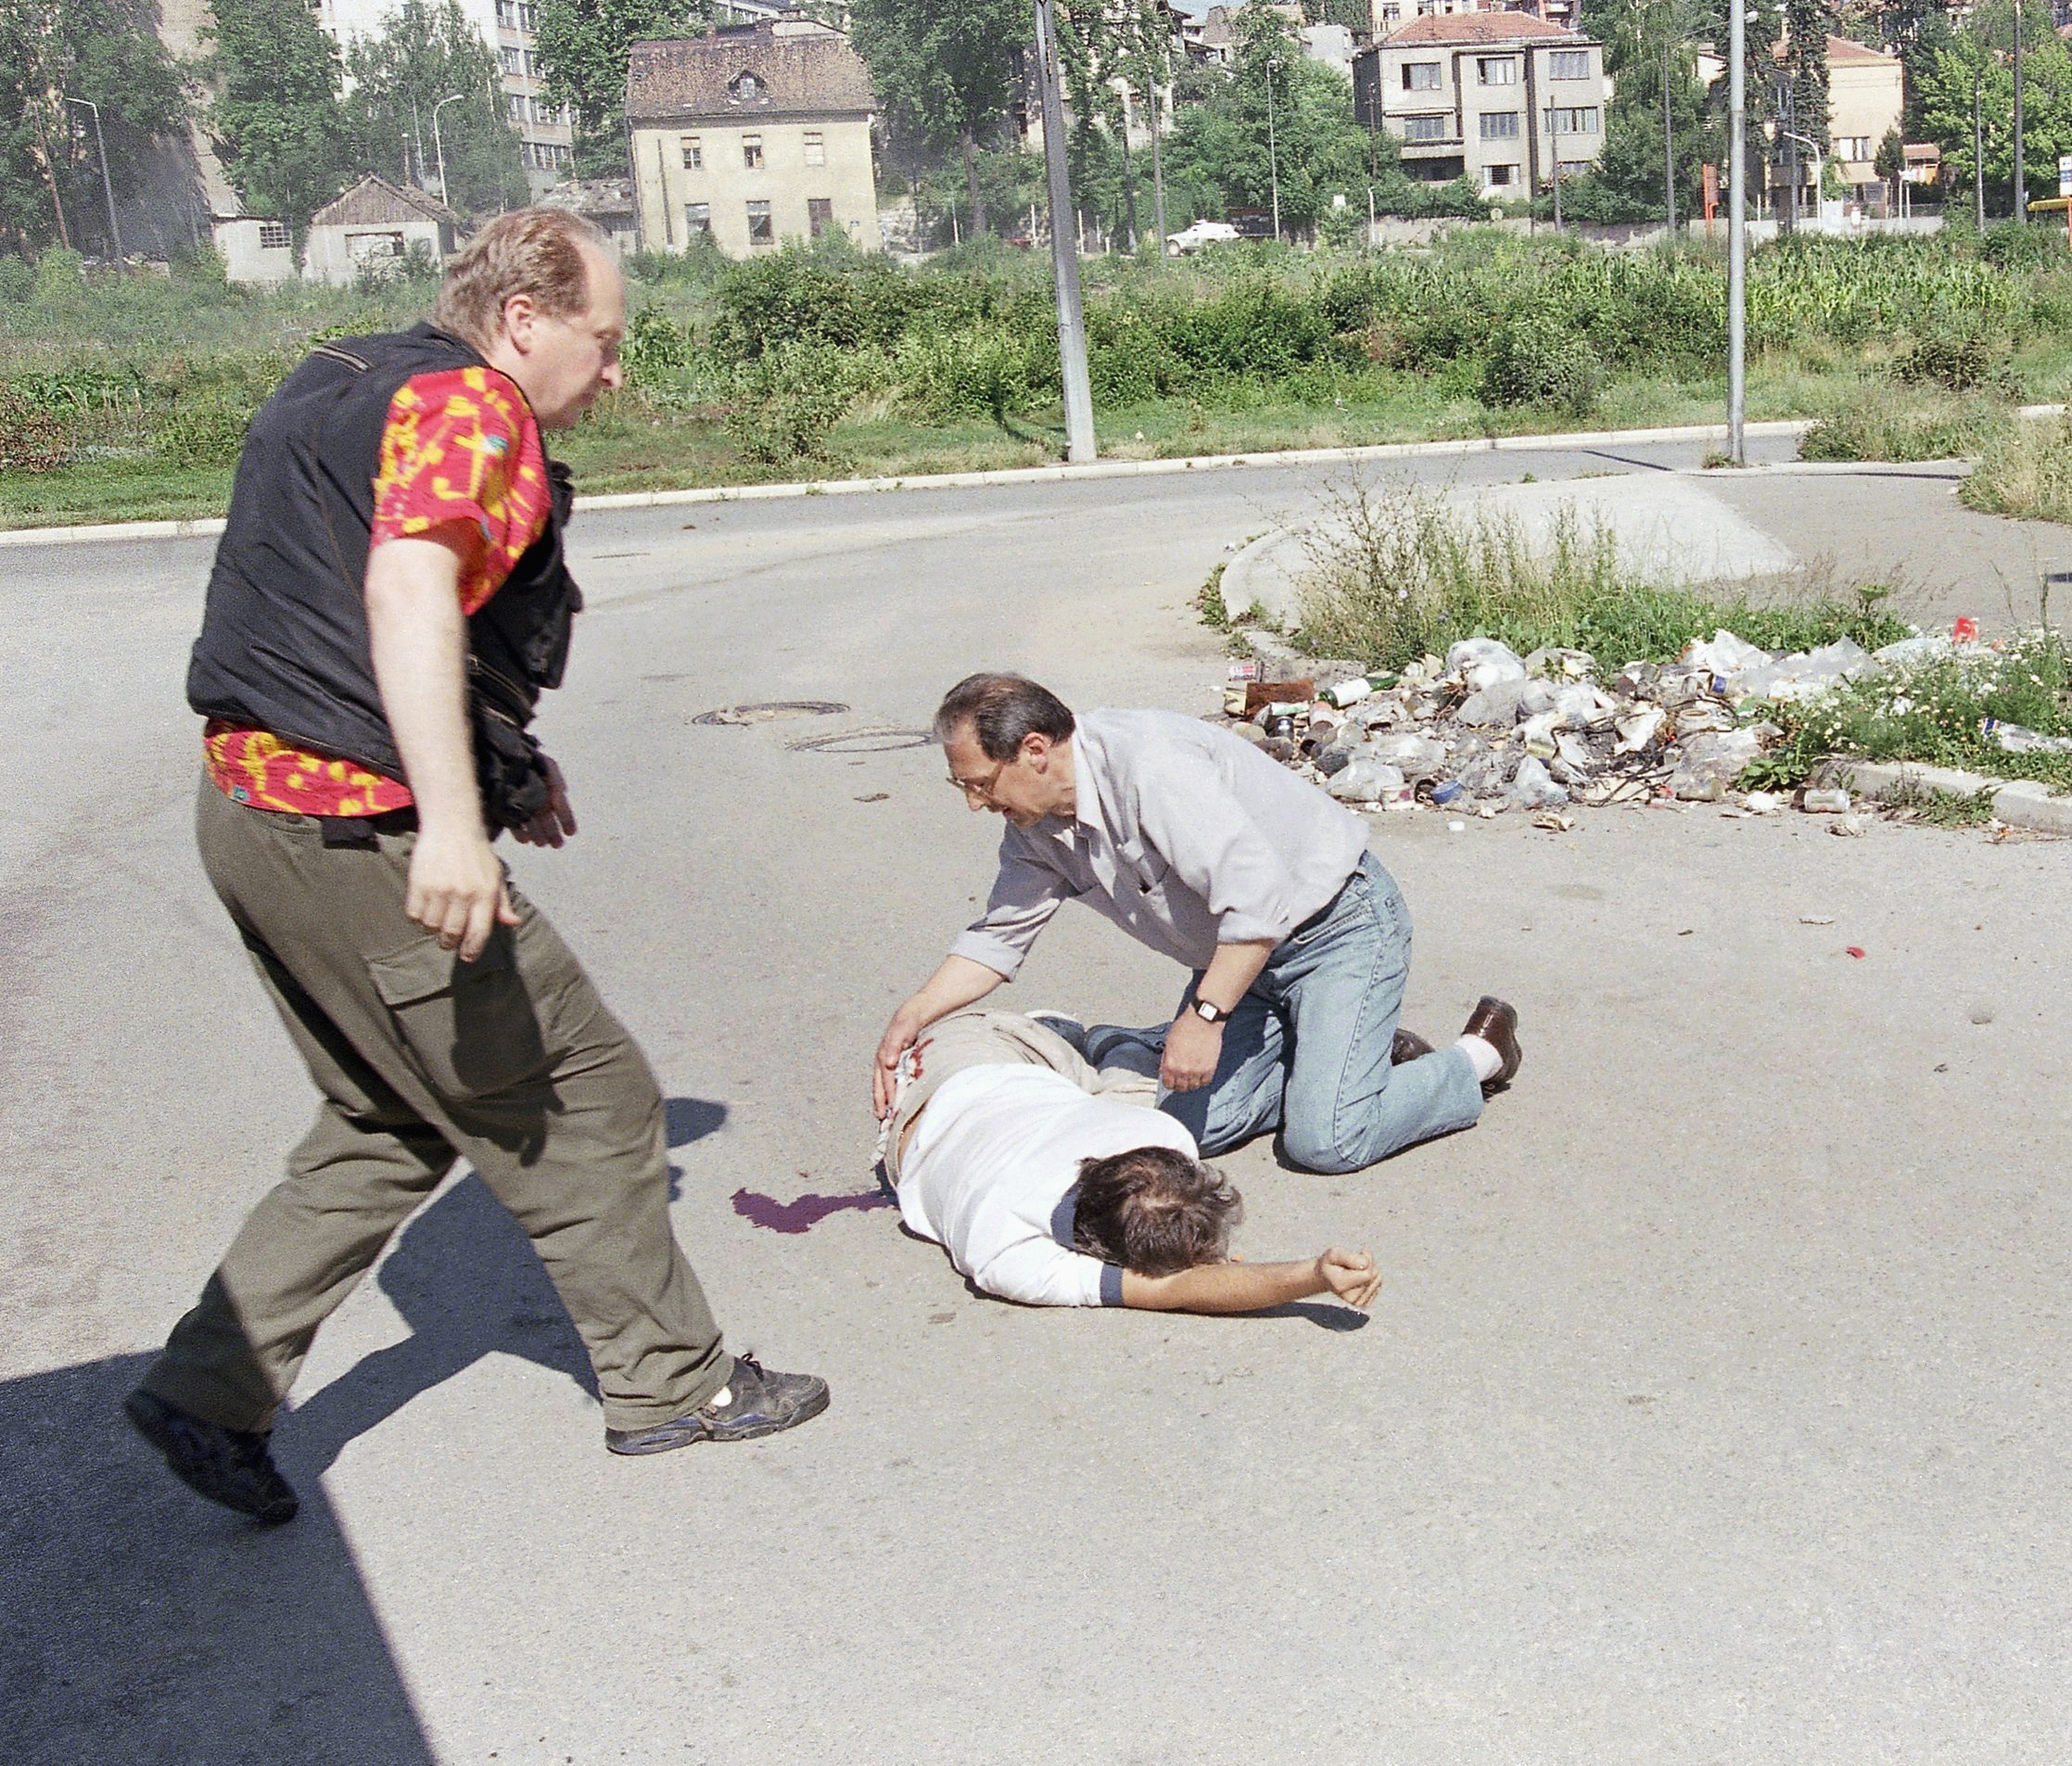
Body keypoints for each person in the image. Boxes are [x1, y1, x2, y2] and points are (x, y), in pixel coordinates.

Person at [127, 210, 826, 1528]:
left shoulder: (349, 373)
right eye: (603, 342)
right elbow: (401, 593)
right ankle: (675, 1383)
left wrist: (505, 764)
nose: (612, 375)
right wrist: (452, 826)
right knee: (594, 1094)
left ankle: (209, 1388)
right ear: (523, 319)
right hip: (356, 832)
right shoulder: (477, 407)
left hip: (252, 811)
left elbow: (335, 606)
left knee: (390, 1117)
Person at [871, 672, 1524, 1176]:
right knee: (1184, 1130)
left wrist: (1205, 1017)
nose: (974, 803)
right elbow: (999, 936)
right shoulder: (1036, 825)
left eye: (981, 783)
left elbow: (1259, 902)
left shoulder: (1150, 766)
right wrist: (914, 1013)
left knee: (1328, 1139)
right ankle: (1341, 1050)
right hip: (1240, 964)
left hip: (1336, 928)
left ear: (1034, 750)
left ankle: (1478, 1056)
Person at [878, 1010, 1381, 1313]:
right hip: (969, 1054)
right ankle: (1079, 1034)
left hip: (984, 1090)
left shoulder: (1159, 1137)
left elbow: (1180, 1279)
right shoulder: (1006, 1254)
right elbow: (1180, 1290)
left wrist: (1314, 1274)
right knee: (1109, 1076)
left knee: (1151, 1094)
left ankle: (1105, 1043)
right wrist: (1308, 1275)